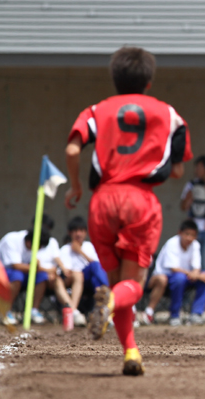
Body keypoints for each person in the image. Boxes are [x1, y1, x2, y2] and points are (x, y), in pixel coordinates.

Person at [64, 46, 192, 376]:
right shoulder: (169, 114)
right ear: (148, 81)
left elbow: (72, 147)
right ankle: (108, 307)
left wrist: (76, 186)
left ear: (114, 79)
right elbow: (177, 170)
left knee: (115, 281)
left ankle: (131, 352)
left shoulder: (96, 110)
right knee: (133, 284)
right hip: (139, 200)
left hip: (101, 199)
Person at [144, 220, 205, 326]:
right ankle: (174, 315)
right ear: (179, 232)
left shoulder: (195, 245)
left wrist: (197, 274)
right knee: (179, 278)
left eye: (193, 235)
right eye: (187, 234)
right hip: (166, 280)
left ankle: (196, 314)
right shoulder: (171, 243)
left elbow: (196, 267)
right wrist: (193, 274)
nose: (189, 238)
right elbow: (174, 269)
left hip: (185, 279)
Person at [55, 217, 109, 327]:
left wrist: (80, 252)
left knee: (95, 271)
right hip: (74, 281)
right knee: (81, 275)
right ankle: (109, 296)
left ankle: (105, 299)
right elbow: (67, 273)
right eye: (75, 231)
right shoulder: (65, 249)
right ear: (69, 233)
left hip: (89, 281)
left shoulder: (89, 246)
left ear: (85, 232)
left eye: (81, 230)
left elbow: (98, 266)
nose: (78, 234)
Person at [0, 226, 53, 325]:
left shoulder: (34, 242)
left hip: (22, 273)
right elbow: (16, 266)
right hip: (1, 273)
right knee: (17, 275)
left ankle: (33, 311)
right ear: (29, 242)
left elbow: (35, 264)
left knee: (42, 276)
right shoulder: (11, 240)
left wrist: (44, 270)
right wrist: (47, 269)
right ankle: (6, 312)